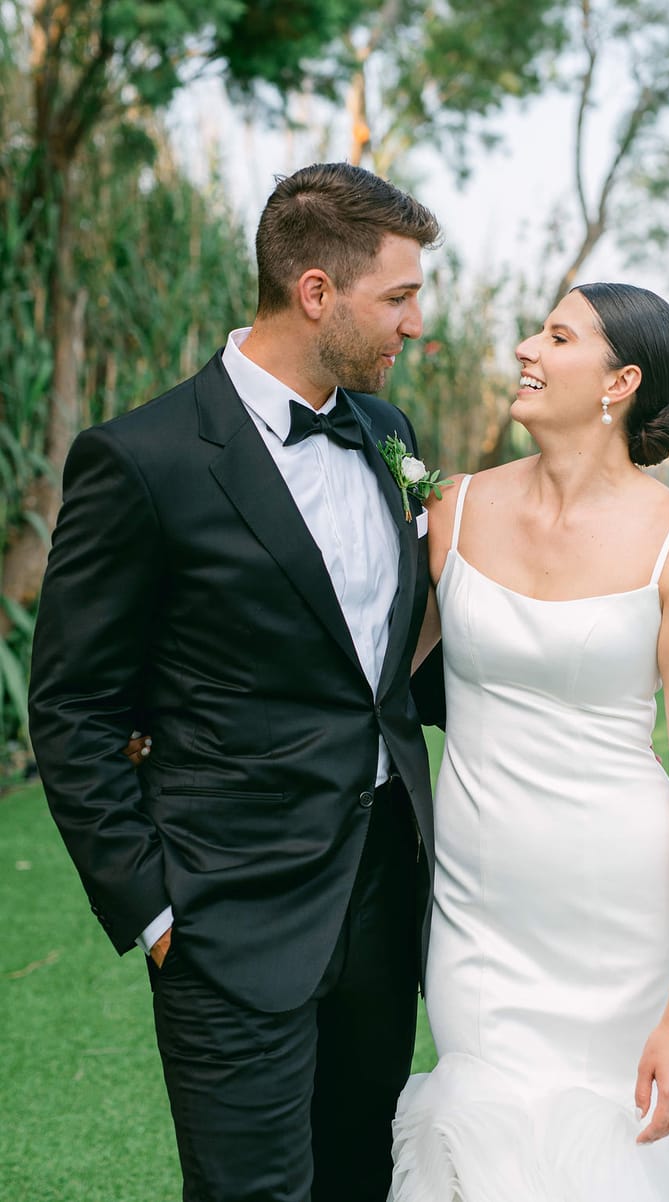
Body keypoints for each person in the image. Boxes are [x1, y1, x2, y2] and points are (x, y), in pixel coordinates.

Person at [27, 162, 442, 1202]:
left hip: (382, 899)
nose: (415, 323)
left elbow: (384, 666)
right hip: (227, 914)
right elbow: (74, 706)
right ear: (316, 291)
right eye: (398, 296)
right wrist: (151, 906)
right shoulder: (142, 459)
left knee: (361, 1179)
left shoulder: (388, 434)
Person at [390, 282, 669, 1200]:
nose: (526, 347)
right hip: (479, 909)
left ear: (619, 382)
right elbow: (368, 677)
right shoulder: (455, 509)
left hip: (616, 918)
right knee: (480, 1132)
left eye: (557, 337)